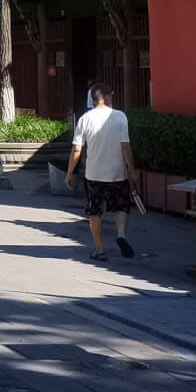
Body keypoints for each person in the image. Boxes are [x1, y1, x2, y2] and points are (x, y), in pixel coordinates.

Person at [65, 83, 136, 260]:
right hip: (117, 172)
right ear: (107, 96)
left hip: (94, 173)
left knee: (95, 211)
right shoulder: (120, 117)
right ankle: (121, 234)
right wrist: (131, 170)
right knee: (121, 206)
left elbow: (76, 150)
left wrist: (69, 173)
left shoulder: (85, 119)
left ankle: (100, 249)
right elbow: (125, 147)